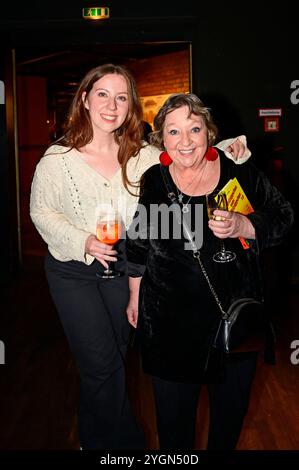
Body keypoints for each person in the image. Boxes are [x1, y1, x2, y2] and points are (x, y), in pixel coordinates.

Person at [30, 63, 250, 450]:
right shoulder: (57, 159)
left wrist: (222, 149)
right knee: (103, 365)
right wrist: (82, 240)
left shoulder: (143, 156)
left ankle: (91, 436)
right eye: (103, 94)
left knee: (110, 360)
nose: (112, 105)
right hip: (73, 272)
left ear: (130, 105)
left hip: (122, 268)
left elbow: (184, 152)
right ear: (84, 99)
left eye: (121, 97)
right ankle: (122, 447)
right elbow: (41, 212)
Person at [126, 92, 294, 450]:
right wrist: (134, 296)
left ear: (209, 132)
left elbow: (284, 218)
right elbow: (140, 242)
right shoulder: (156, 181)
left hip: (232, 324)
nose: (185, 141)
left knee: (227, 426)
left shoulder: (241, 172)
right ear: (162, 140)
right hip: (170, 326)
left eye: (194, 129)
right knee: (174, 434)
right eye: (173, 132)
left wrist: (245, 226)